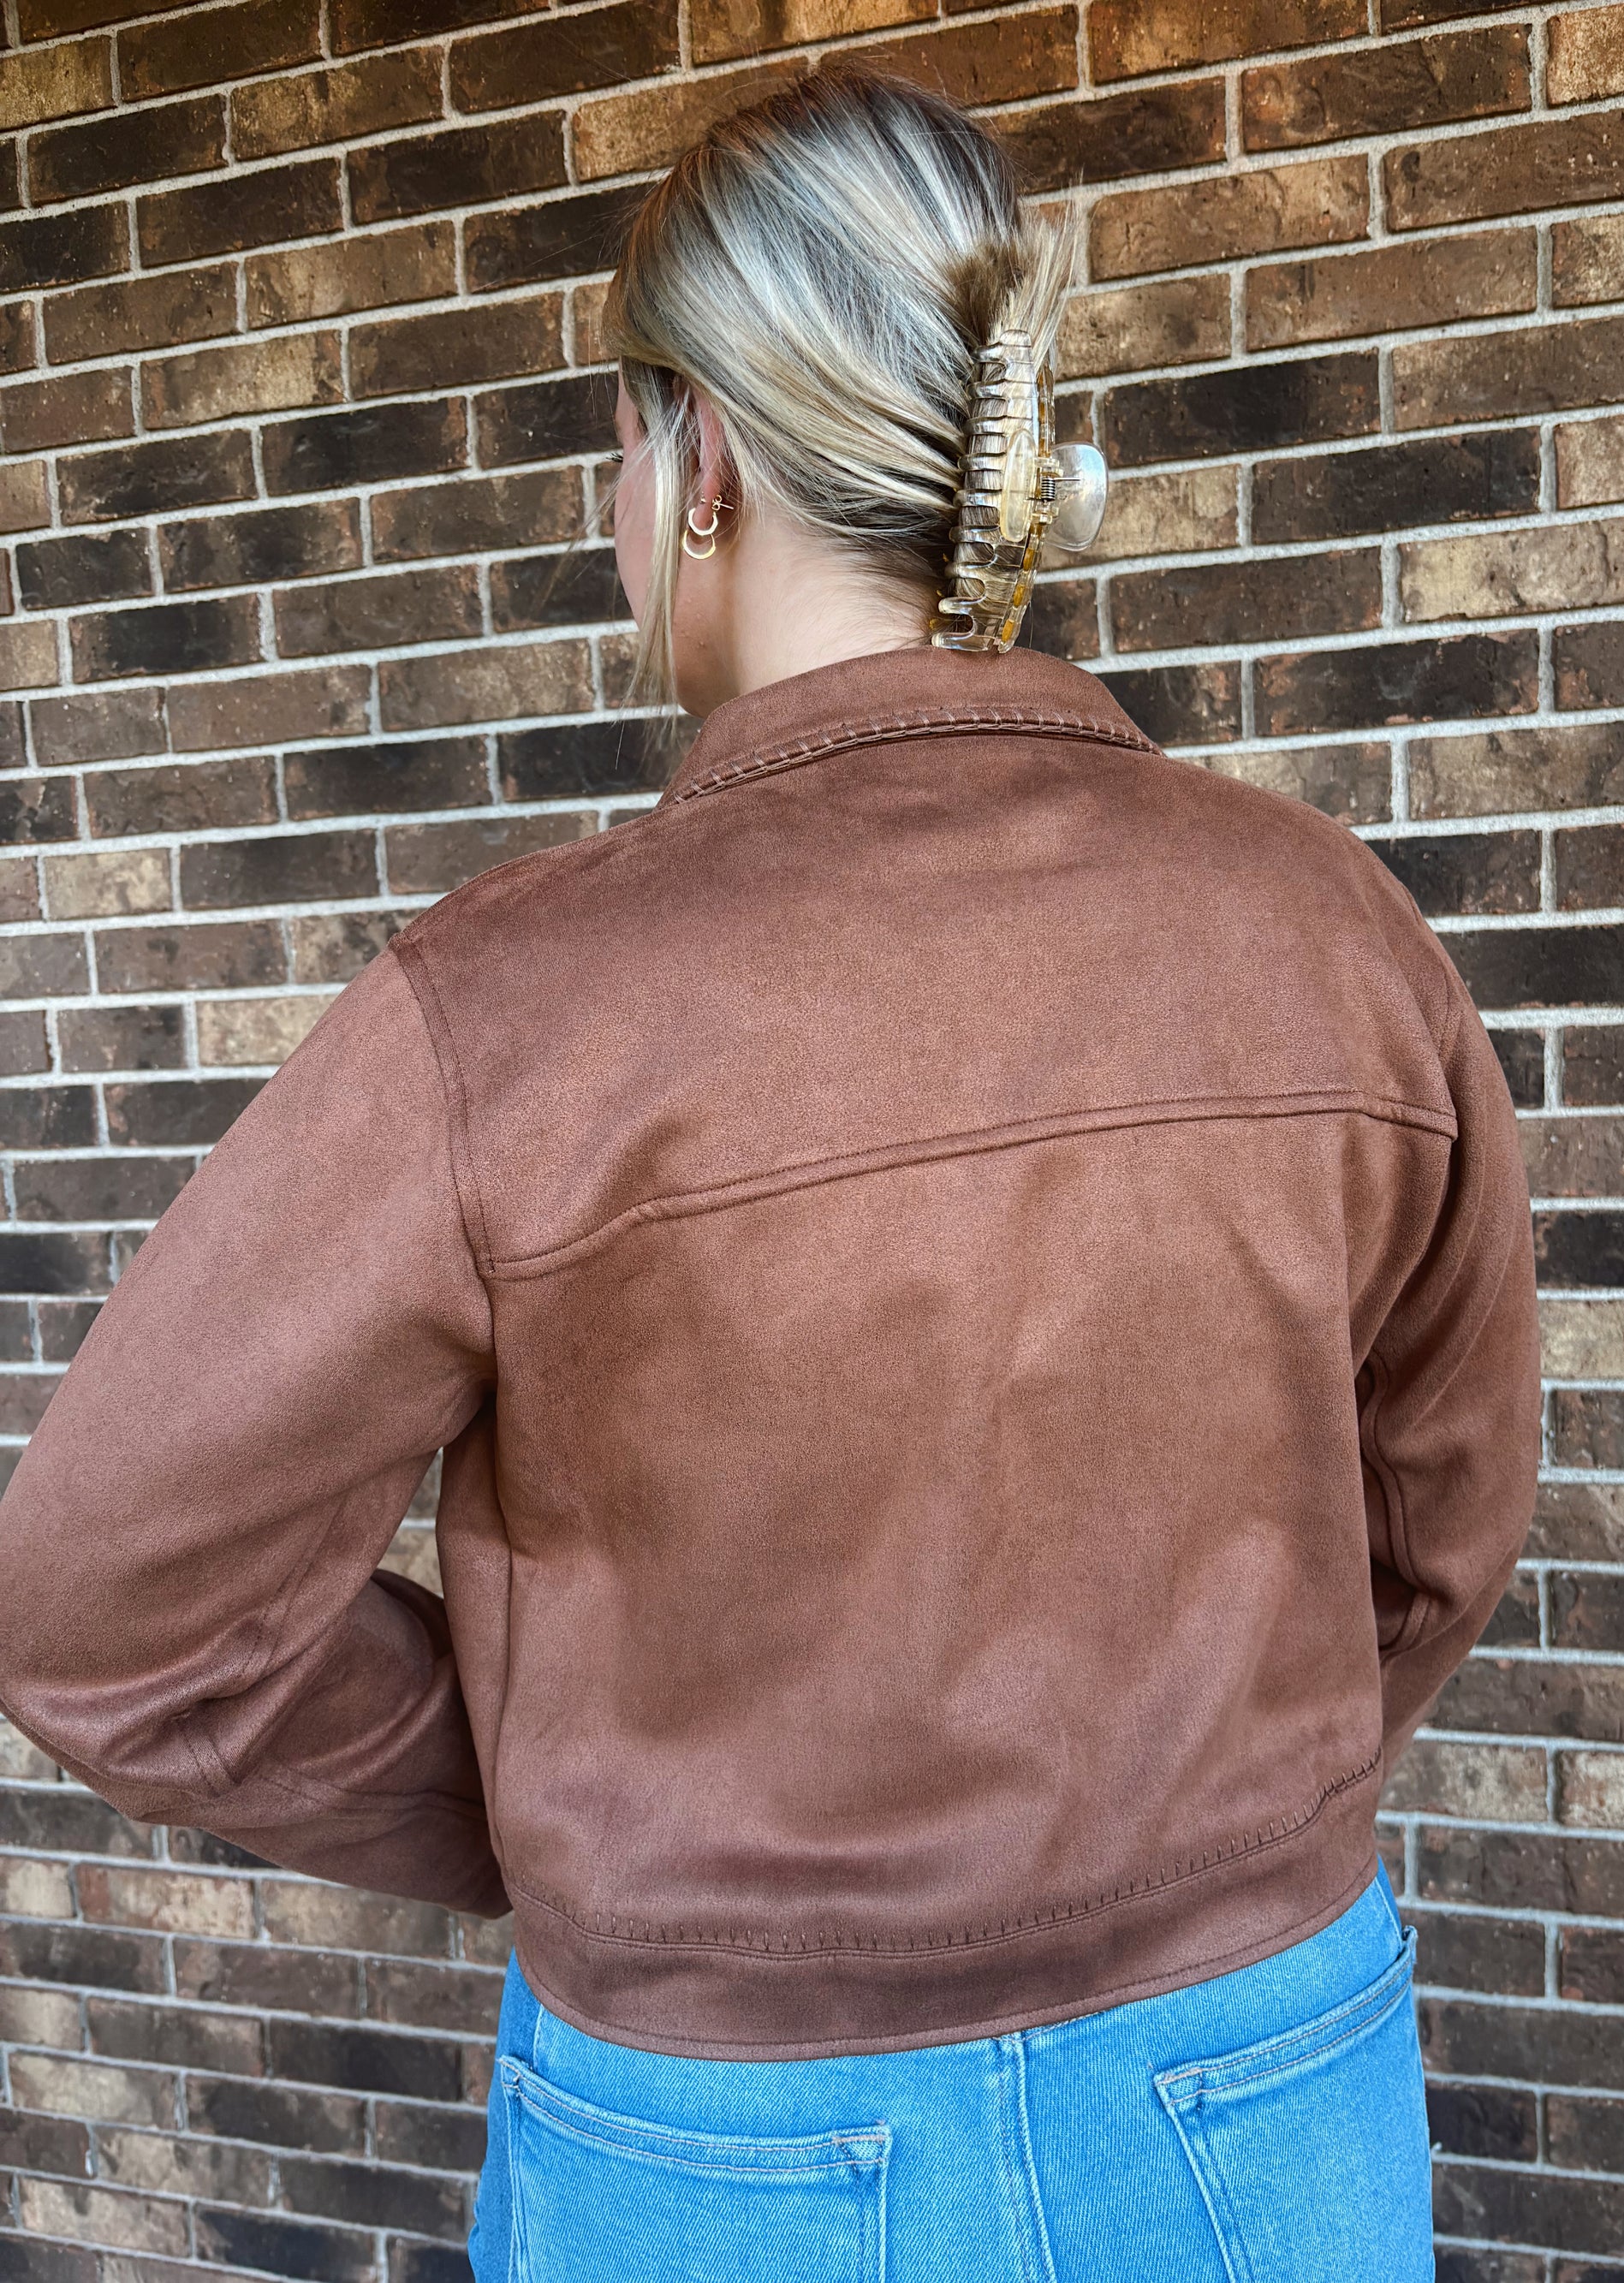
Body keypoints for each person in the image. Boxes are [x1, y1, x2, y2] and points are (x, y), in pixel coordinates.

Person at [0, 63, 1540, 2283]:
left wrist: (580, 1813)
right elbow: (1440, 1520)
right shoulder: (1325, 927)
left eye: (623, 444)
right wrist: (1183, 1802)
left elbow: (97, 1604)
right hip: (1260, 2083)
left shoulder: (505, 1012)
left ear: (698, 459)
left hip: (722, 2150)